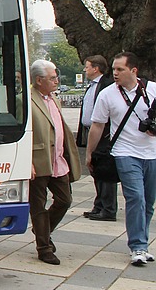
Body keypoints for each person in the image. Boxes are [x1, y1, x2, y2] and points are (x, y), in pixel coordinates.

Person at [86, 51, 156, 267]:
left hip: (152, 153)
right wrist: (90, 153)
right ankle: (138, 246)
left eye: (120, 69)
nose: (114, 73)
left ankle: (142, 241)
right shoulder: (107, 94)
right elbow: (97, 125)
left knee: (149, 201)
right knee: (136, 197)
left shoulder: (152, 89)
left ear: (133, 70)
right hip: (124, 152)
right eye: (114, 69)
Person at [29, 59, 81, 265]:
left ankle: (42, 229)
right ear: (39, 80)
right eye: (52, 78)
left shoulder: (54, 99)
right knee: (38, 206)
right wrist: (27, 161)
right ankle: (44, 247)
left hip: (58, 161)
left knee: (64, 200)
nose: (56, 81)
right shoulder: (26, 99)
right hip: (39, 161)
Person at [78, 55, 116, 221]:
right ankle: (99, 205)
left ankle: (108, 208)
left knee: (105, 170)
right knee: (95, 170)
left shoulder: (107, 85)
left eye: (87, 67)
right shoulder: (91, 86)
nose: (85, 70)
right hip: (90, 131)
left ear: (96, 68)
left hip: (104, 134)